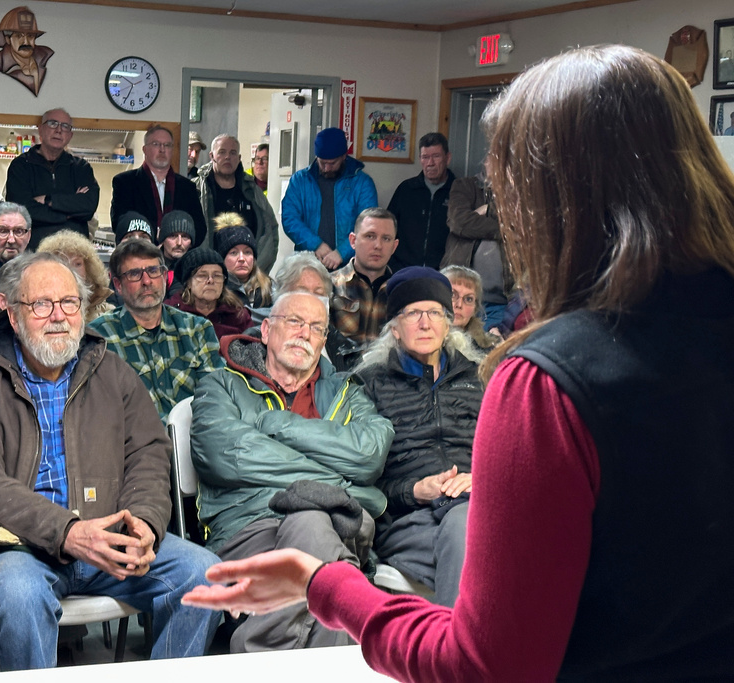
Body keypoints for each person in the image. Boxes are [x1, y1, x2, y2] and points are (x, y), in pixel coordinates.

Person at [182, 44, 734, 681]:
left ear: (553, 202)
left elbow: (486, 664)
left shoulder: (544, 383)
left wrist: (325, 584)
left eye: (510, 194)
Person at [0, 252, 220, 670]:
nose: (58, 316)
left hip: (111, 535)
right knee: (19, 597)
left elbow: (148, 451)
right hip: (22, 545)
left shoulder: (112, 372)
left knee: (203, 575)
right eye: (41, 305)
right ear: (14, 317)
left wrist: (143, 521)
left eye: (69, 303)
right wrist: (68, 532)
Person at [190, 290, 393, 652]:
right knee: (326, 555)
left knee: (312, 523)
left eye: (316, 327)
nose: (304, 332)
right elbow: (225, 456)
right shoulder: (222, 384)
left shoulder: (347, 392)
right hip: (250, 524)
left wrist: (277, 425)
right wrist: (341, 486)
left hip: (338, 523)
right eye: (294, 321)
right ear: (266, 330)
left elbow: (370, 454)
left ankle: (256, 655)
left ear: (324, 341)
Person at [356, 267, 482, 607]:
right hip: (409, 521)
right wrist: (414, 490)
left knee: (472, 528)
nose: (425, 323)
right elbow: (359, 481)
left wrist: (480, 481)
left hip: (479, 505)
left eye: (435, 313)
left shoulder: (480, 380)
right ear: (394, 328)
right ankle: (462, 655)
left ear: (448, 324)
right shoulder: (368, 385)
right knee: (478, 543)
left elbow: (512, 460)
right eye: (413, 313)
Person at [90, 239, 224, 421]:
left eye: (153, 271)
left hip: (197, 439)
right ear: (118, 285)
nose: (147, 281)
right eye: (134, 274)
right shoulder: (99, 338)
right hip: (136, 445)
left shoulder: (197, 330)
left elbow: (216, 400)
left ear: (163, 277)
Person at [281, 128, 379, 271]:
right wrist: (316, 245)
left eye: (332, 163)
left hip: (350, 266)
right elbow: (290, 219)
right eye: (322, 163)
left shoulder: (362, 183)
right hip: (308, 263)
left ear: (344, 156)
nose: (326, 168)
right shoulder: (300, 180)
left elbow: (368, 225)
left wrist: (342, 253)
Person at [5, 108, 98, 243]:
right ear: (40, 129)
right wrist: (68, 214)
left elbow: (88, 207)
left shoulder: (81, 168)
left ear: (70, 135)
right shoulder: (21, 166)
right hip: (32, 253)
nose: (59, 130)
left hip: (73, 252)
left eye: (65, 126)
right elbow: (21, 212)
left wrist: (48, 200)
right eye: (53, 123)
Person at [327, 207, 398, 370]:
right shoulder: (329, 286)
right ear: (353, 240)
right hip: (337, 381)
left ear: (394, 246)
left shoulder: (402, 294)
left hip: (387, 384)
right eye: (370, 236)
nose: (378, 245)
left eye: (386, 239)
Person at [111, 125, 207, 246]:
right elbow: (120, 225)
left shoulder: (187, 187)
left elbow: (199, 229)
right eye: (156, 144)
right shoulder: (125, 182)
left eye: (167, 145)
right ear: (145, 149)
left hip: (178, 258)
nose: (162, 149)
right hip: (140, 254)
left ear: (172, 150)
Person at [195, 134, 279, 272]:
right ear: (212, 156)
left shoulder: (252, 190)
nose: (227, 157)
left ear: (239, 158)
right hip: (207, 275)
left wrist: (256, 272)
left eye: (233, 153)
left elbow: (270, 232)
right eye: (222, 152)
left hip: (247, 278)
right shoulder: (196, 190)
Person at [442, 171, 511, 329]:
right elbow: (458, 222)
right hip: (456, 295)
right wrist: (505, 230)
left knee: (488, 350)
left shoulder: (520, 193)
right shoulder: (465, 186)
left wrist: (488, 210)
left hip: (499, 302)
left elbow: (523, 227)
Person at [387, 132, 456, 272]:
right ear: (420, 159)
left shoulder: (458, 191)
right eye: (425, 157)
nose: (430, 163)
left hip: (443, 272)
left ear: (447, 158)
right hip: (402, 270)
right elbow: (388, 227)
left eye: (436, 156)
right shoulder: (406, 189)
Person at [166, 247, 252, 339]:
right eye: (202, 275)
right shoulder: (169, 313)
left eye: (217, 275)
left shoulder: (238, 314)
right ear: (188, 282)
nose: (210, 280)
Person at [37, 229, 114, 322]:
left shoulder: (107, 312)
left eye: (77, 264)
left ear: (88, 267)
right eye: (63, 263)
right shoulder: (39, 308)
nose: (71, 270)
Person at [0, 5, 55, 96]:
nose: (26, 42)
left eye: (30, 36)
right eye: (19, 36)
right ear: (8, 39)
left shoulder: (45, 56)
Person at [441, 265, 500, 362]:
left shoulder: (489, 349)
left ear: (475, 309)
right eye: (452, 295)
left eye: (468, 299)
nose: (459, 304)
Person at [213, 214, 272, 309]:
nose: (241, 258)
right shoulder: (214, 290)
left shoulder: (270, 288)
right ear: (222, 259)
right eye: (233, 253)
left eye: (247, 252)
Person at [158, 209, 197, 287]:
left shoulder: (197, 270)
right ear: (162, 240)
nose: (179, 243)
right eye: (173, 236)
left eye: (185, 237)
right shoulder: (151, 266)